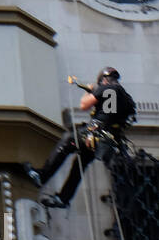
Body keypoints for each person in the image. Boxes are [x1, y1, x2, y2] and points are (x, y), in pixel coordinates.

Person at [24, 66, 135, 209]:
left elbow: (84, 105)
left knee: (68, 141)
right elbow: (119, 114)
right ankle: (63, 198)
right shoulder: (126, 98)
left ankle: (42, 176)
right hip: (108, 140)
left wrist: (88, 91)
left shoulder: (107, 88)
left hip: (94, 133)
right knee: (80, 165)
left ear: (104, 80)